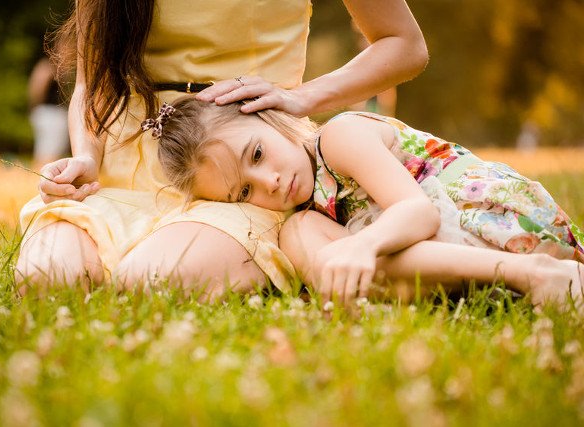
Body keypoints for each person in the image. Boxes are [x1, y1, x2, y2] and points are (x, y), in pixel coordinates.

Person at [15, 0, 429, 299]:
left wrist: (303, 98)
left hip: (243, 172)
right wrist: (87, 156)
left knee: (147, 284)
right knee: (47, 280)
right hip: (118, 168)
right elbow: (94, 83)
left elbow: (403, 44)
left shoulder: (266, 174)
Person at [153, 96, 584, 307]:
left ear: (270, 118)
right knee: (301, 235)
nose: (270, 182)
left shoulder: (339, 137)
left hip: (492, 221)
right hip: (455, 253)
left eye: (258, 154)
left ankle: (537, 273)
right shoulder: (304, 213)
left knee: (326, 241)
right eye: (244, 192)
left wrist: (360, 245)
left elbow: (419, 213)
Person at [28, 56, 70, 167]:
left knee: (50, 149)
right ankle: (41, 174)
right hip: (50, 113)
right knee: (48, 150)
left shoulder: (53, 67)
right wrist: (36, 107)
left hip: (51, 113)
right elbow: (37, 89)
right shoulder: (47, 66)